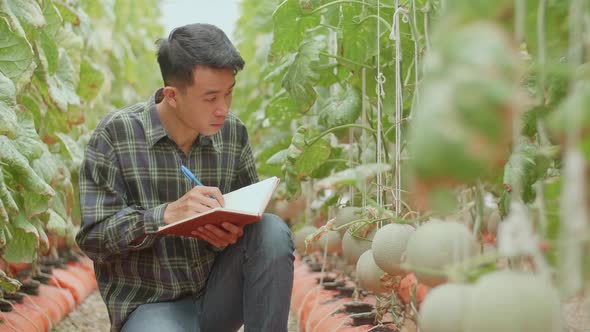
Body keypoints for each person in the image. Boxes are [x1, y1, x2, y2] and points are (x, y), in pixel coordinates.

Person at [76, 23, 295, 332]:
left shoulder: (233, 134)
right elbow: (93, 238)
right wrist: (163, 216)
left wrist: (230, 232)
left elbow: (250, 225)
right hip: (151, 306)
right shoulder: (116, 134)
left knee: (271, 230)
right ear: (172, 95)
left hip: (218, 297)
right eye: (210, 98)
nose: (223, 109)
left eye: (229, 94)